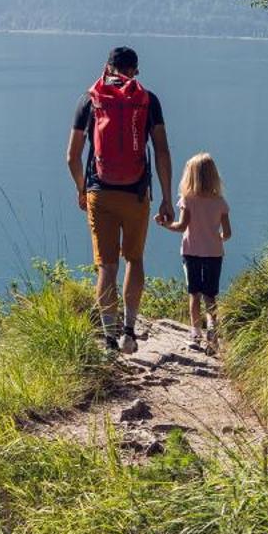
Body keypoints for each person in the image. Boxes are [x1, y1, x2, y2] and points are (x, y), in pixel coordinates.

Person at [67, 46, 173, 353]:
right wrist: (166, 197)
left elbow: (72, 157)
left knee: (107, 267)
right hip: (137, 194)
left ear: (107, 67)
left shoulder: (89, 100)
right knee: (135, 260)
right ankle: (129, 331)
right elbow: (162, 151)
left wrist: (81, 188)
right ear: (134, 71)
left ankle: (109, 337)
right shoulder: (148, 100)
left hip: (100, 191)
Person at [162, 152, 231, 353]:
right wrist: (217, 239)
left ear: (190, 175)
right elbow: (227, 233)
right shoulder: (220, 202)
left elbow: (182, 226)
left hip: (191, 252)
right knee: (210, 296)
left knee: (194, 294)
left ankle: (195, 334)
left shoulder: (188, 199)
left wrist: (166, 224)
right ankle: (212, 332)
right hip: (214, 253)